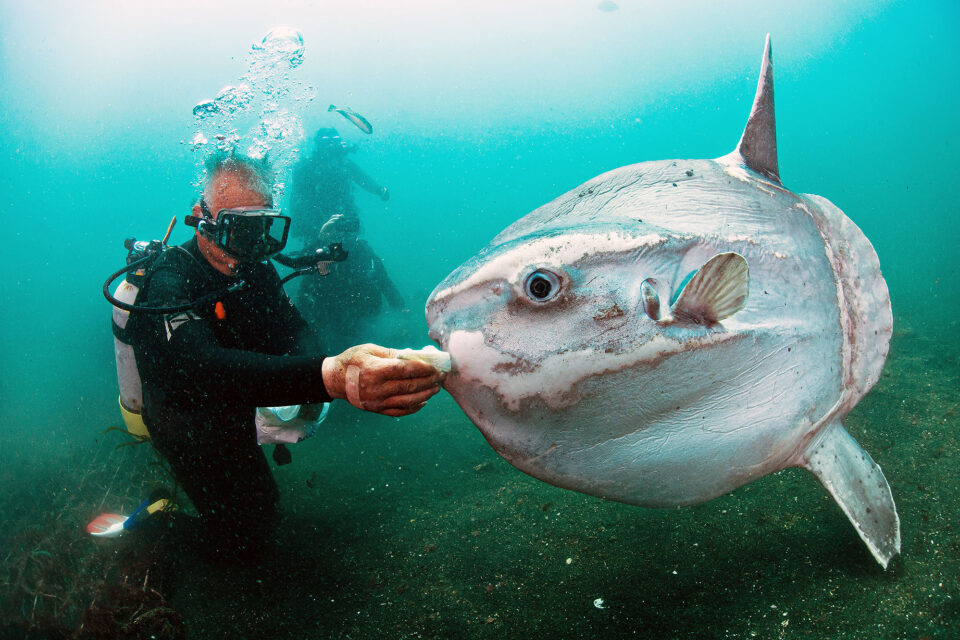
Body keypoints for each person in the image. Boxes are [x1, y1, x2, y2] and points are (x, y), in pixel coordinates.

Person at [127, 149, 442, 563]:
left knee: (262, 508)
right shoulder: (170, 278)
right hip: (184, 421)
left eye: (262, 229)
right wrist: (329, 378)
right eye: (238, 230)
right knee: (237, 546)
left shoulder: (253, 267)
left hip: (235, 410)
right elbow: (200, 364)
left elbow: (294, 330)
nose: (251, 246)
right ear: (202, 219)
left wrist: (317, 377)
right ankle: (156, 519)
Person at [288, 127, 389, 242]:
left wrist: (379, 190)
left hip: (343, 218)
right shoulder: (306, 167)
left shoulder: (344, 164)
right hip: (316, 221)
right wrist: (302, 226)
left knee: (350, 247)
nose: (331, 146)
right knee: (320, 248)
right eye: (326, 142)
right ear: (318, 144)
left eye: (335, 141)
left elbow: (362, 178)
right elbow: (297, 198)